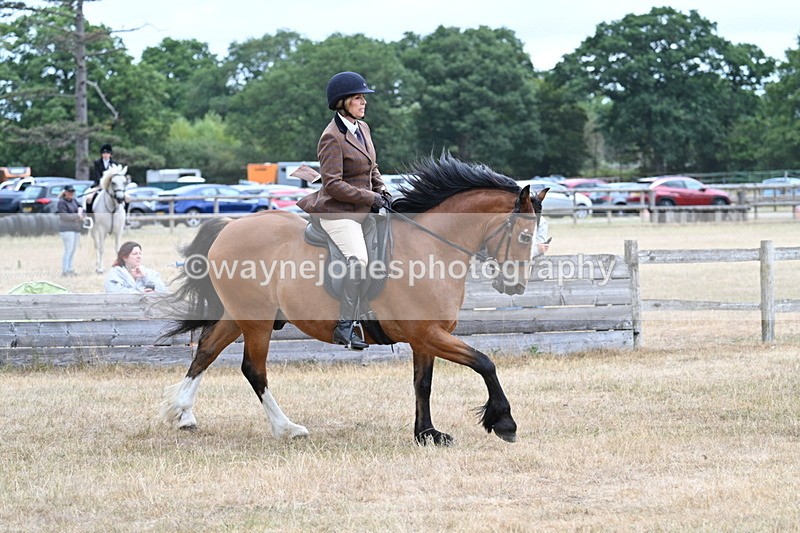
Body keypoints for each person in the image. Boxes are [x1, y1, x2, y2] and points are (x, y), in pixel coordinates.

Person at [296, 71, 391, 350]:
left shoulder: (364, 128)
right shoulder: (331, 137)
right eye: (359, 98)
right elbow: (333, 184)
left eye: (363, 98)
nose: (364, 103)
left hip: (363, 207)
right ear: (343, 102)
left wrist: (382, 190)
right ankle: (345, 326)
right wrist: (370, 197)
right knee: (359, 260)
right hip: (338, 212)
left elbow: (372, 166)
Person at [56, 184, 84, 276]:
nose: (71, 193)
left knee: (73, 250)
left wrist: (80, 212)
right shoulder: (61, 202)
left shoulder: (74, 201)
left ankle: (70, 268)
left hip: (75, 229)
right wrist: (77, 216)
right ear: (65, 193)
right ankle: (65, 270)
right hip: (66, 229)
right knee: (68, 249)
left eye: (72, 192)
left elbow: (80, 207)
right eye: (69, 192)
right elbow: (64, 216)